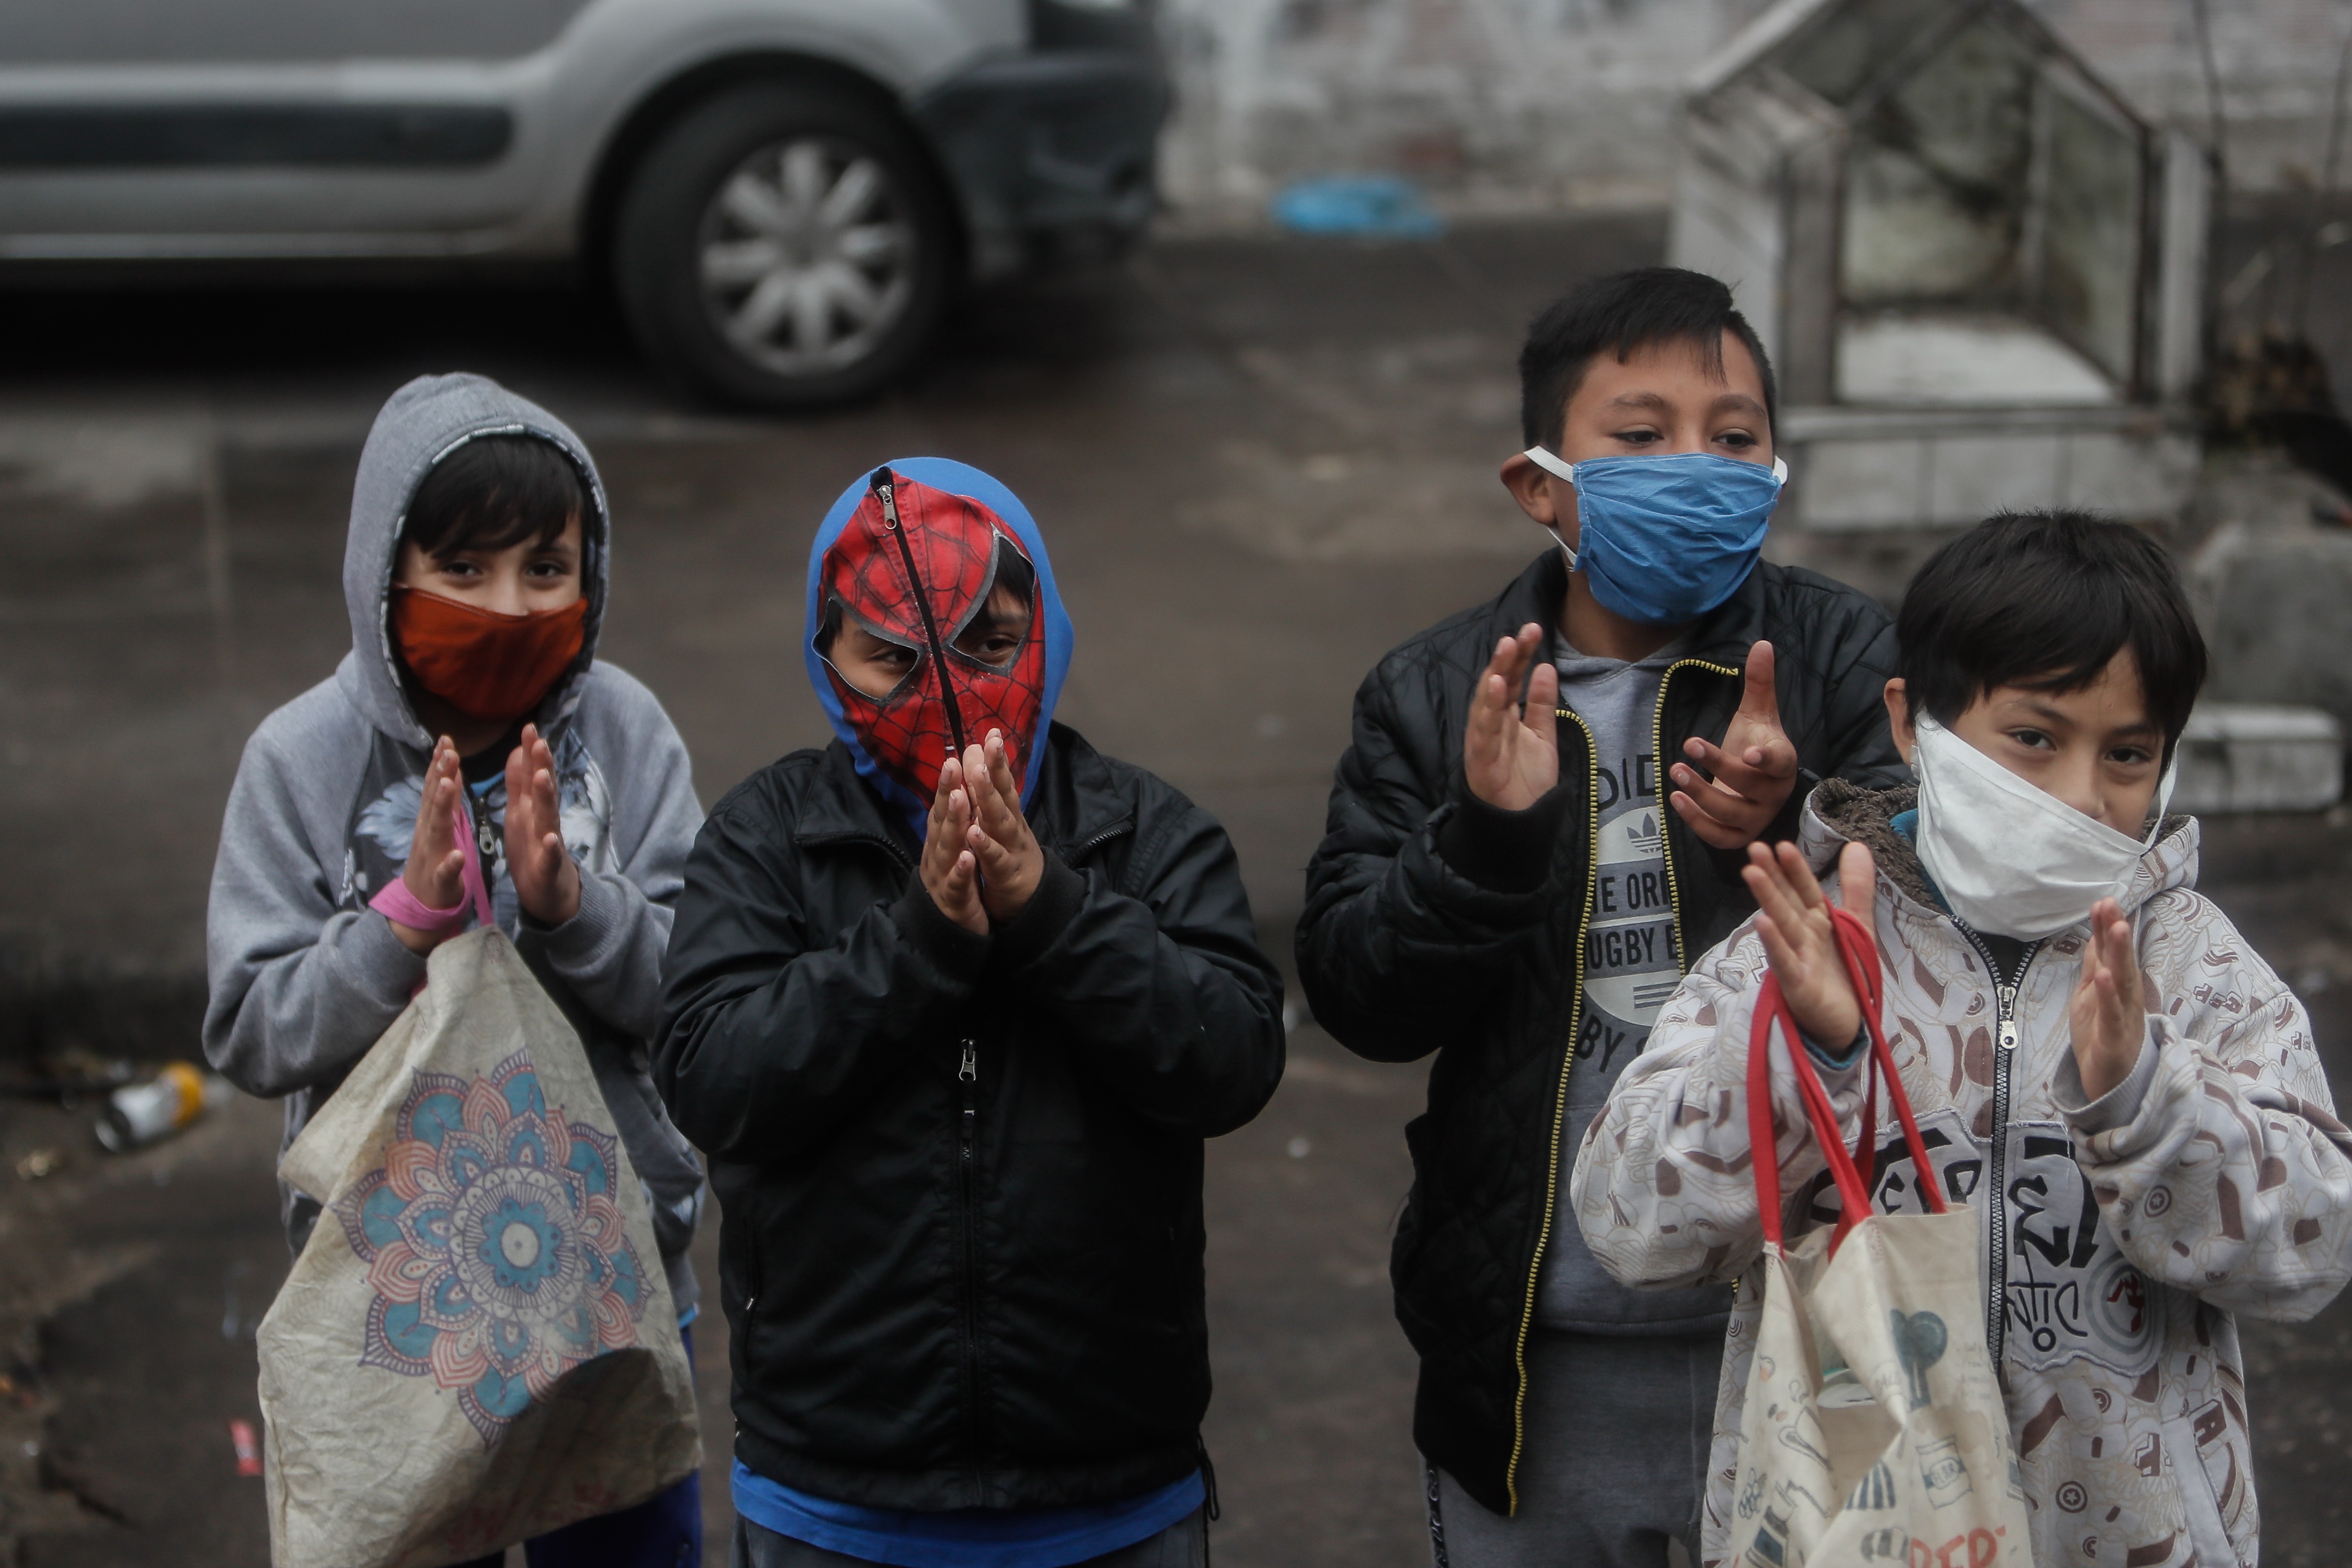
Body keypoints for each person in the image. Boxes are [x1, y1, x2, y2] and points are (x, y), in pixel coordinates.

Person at [1572, 510, 2352, 1567]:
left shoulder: (2192, 964)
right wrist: (1807, 1058)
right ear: (1911, 722)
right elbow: (1631, 1226)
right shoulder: (1802, 949)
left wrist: (2148, 1099)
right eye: (2033, 737)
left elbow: (2314, 1249)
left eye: (2127, 753)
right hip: (1850, 1531)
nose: (2082, 795)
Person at [1294, 267, 1908, 1566]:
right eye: (1641, 437)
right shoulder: (1432, 691)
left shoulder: (1843, 656)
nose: (1698, 465)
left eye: (1733, 437)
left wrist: (1800, 822)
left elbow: (1952, 913)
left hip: (1803, 1321)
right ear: (1541, 483)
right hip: (1532, 1351)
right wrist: (1487, 839)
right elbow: (1357, 990)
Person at [655, 459, 1284, 1568]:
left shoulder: (1145, 831)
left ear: (1050, 631)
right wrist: (918, 942)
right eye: (894, 657)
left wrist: (1051, 910)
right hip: (833, 1494)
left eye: (991, 647)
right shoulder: (766, 838)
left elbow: (1229, 1055)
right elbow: (713, 1075)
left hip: (1114, 1490)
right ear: (827, 654)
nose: (947, 695)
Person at [204, 373, 709, 1566]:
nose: (509, 604)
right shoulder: (300, 759)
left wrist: (574, 907)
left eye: (547, 567)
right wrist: (403, 923)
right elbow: (250, 1025)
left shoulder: (626, 731)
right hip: (399, 1304)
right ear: (387, 574)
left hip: (616, 1280)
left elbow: (703, 990)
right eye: (464, 568)